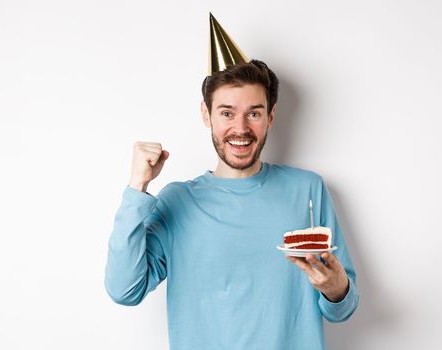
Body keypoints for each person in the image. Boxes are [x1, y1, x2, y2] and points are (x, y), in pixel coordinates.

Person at [104, 14, 359, 349]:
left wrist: (336, 287)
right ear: (206, 115)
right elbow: (125, 291)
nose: (240, 128)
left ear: (270, 117)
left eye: (253, 113)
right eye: (226, 113)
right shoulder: (178, 201)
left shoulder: (307, 190)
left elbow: (342, 309)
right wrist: (137, 187)